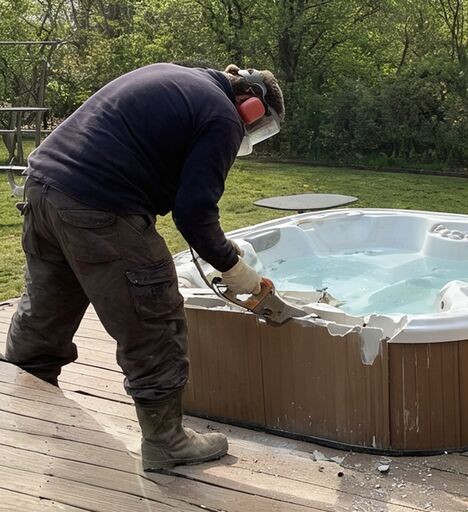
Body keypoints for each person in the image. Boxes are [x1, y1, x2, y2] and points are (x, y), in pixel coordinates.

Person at [3, 62, 284, 470]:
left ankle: (20, 409)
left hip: (44, 190)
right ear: (253, 107)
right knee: (154, 314)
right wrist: (235, 268)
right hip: (99, 206)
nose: (251, 137)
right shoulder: (222, 115)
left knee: (44, 312)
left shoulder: (178, 77)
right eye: (261, 128)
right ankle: (167, 442)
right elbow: (194, 213)